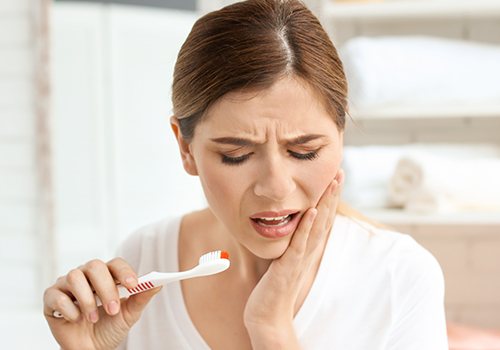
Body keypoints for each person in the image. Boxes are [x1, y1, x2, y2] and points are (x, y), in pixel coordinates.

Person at [43, 0, 448, 349]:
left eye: (304, 151)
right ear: (186, 149)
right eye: (236, 155)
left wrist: (271, 329)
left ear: (339, 138)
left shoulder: (399, 277)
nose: (275, 186)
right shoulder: (146, 260)